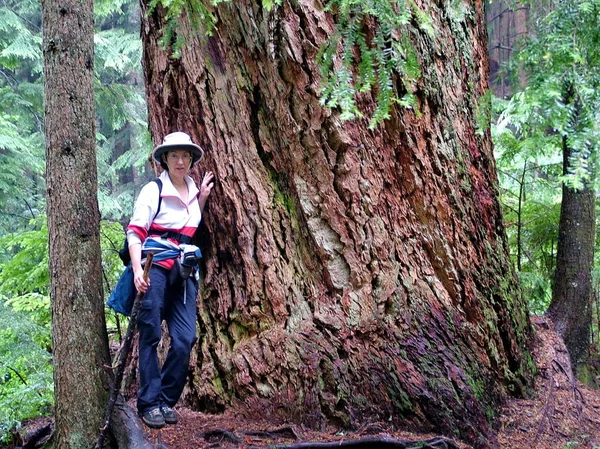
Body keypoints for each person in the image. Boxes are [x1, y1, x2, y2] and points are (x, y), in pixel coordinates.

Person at [126, 131, 214, 429]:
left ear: (191, 160)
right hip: (154, 268)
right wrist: (138, 271)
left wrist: (200, 200)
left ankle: (165, 398)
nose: (181, 161)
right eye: (175, 155)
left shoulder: (191, 187)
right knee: (150, 335)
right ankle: (149, 404)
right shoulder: (153, 191)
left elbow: (188, 228)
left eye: (186, 156)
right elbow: (135, 232)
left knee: (185, 338)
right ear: (164, 159)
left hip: (184, 269)